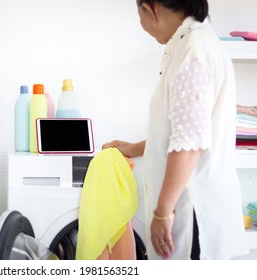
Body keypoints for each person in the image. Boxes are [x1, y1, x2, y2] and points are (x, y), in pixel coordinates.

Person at [103, 0, 250, 260]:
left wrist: (163, 212)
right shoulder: (194, 44)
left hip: (193, 210)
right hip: (194, 205)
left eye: (139, 15)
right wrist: (135, 147)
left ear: (150, 9)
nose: (142, 24)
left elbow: (190, 143)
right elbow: (184, 129)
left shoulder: (194, 51)